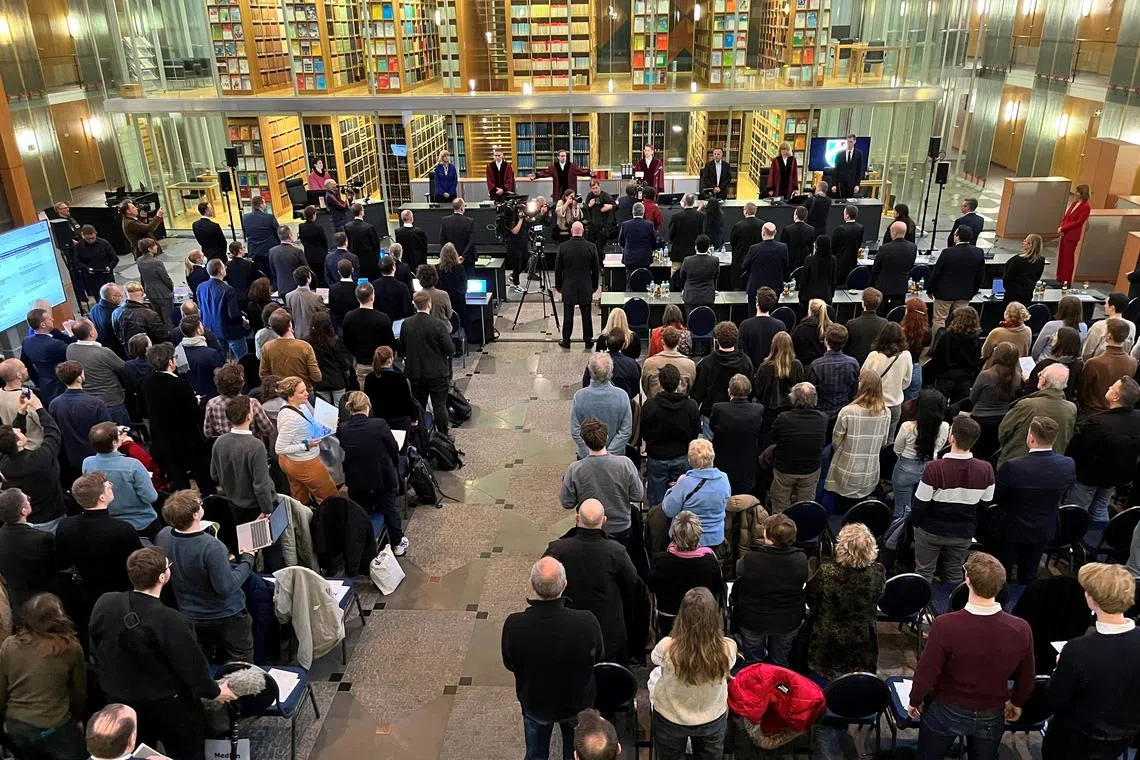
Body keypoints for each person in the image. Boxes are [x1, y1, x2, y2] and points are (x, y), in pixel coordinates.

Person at [89, 546, 236, 760]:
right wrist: (214, 691)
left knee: (136, 752)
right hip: (169, 705)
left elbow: (95, 643)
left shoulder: (106, 601)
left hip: (121, 699)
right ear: (162, 576)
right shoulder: (171, 620)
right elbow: (191, 665)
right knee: (187, 751)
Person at [910, 554, 1037, 760]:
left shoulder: (946, 625)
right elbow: (1027, 674)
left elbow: (927, 670)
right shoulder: (1021, 629)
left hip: (947, 708)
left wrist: (915, 699)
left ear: (967, 580)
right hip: (992, 711)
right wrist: (1017, 702)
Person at [502, 557, 604, 760]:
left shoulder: (514, 625)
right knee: (574, 753)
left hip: (535, 702)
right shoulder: (586, 622)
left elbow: (509, 663)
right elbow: (598, 658)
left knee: (536, 754)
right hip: (576, 702)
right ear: (564, 585)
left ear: (533, 585)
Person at [1042, 562, 1140, 759]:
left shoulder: (1078, 650)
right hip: (1122, 738)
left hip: (1073, 738)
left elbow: (1053, 698)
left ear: (1091, 599)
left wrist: (1060, 668)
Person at [156, 489, 255, 663]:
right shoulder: (212, 546)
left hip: (190, 613)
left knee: (202, 660)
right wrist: (248, 559)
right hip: (226, 613)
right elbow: (226, 587)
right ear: (195, 515)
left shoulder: (163, 536)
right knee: (241, 660)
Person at [544, 499, 640, 661]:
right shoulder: (616, 551)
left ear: (577, 519)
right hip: (608, 632)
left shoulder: (558, 550)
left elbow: (544, 584)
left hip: (568, 631)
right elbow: (633, 584)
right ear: (604, 521)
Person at [649, 587, 735, 760]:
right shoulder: (727, 648)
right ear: (714, 618)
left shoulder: (667, 647)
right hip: (712, 716)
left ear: (681, 617)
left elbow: (654, 660)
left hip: (670, 716)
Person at [0, 593, 87, 760]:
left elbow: (1, 690)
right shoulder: (70, 648)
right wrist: (75, 721)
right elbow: (79, 693)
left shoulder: (9, 645)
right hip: (55, 726)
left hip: (16, 726)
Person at [911, 416, 995, 582]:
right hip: (962, 533)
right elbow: (986, 502)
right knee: (955, 573)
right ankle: (952, 606)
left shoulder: (934, 468)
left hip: (930, 531)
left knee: (924, 573)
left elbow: (920, 505)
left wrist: (916, 525)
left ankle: (922, 607)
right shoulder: (986, 469)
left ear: (952, 437)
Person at [992, 416, 1075, 583]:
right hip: (1043, 528)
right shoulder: (1068, 464)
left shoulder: (1013, 466)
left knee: (1002, 574)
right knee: (1029, 574)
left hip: (1011, 528)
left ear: (1030, 437)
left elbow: (995, 496)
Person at [805, 522, 885, 680]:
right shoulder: (878, 572)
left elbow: (811, 598)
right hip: (862, 635)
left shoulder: (827, 573)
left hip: (828, 637)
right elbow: (879, 596)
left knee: (823, 681)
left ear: (842, 548)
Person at [733, 513, 808, 665]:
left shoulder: (750, 559)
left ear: (767, 536)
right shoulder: (801, 559)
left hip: (753, 620)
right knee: (780, 662)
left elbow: (738, 571)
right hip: (787, 620)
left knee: (753, 661)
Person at [338, 392, 407, 555]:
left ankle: (363, 545)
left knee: (360, 511)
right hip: (382, 478)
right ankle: (397, 542)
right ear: (368, 406)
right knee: (389, 508)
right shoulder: (379, 425)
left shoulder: (342, 429)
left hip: (356, 481)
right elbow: (394, 448)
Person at [57, 472, 143, 603]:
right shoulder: (123, 529)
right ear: (102, 497)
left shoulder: (65, 526)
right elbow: (138, 563)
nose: (111, 487)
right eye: (108, 487)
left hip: (86, 592)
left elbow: (64, 562)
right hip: (121, 591)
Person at [142, 342, 215, 493]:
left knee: (178, 479)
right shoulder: (180, 384)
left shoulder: (146, 383)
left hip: (162, 440)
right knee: (202, 476)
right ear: (170, 361)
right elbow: (194, 415)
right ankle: (211, 504)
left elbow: (142, 410)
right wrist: (197, 402)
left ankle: (184, 508)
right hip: (186, 439)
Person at [1066, 376, 1140, 521]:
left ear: (1116, 397)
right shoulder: (1137, 419)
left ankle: (1073, 540)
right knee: (1100, 508)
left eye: (1112, 387)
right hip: (1115, 477)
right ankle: (1099, 537)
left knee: (1077, 511)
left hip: (1088, 477)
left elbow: (1077, 449)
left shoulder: (1097, 423)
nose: (1109, 388)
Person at [560, 419, 644, 541]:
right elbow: (638, 495)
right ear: (607, 437)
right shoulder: (625, 464)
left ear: (584, 441)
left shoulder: (575, 469)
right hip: (620, 528)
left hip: (588, 529)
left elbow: (567, 502)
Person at [825, 371, 892, 510]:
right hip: (870, 471)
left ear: (860, 386)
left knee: (841, 509)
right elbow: (884, 441)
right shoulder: (886, 412)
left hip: (846, 468)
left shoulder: (847, 411)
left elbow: (836, 439)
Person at [0, 394, 66, 530]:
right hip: (51, 518)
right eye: (17, 432)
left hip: (28, 519)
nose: (19, 429)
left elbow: (10, 440)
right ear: (19, 442)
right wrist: (39, 407)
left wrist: (21, 413)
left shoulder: (4, 462)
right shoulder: (40, 459)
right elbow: (53, 433)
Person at [82, 422, 160, 536]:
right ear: (114, 442)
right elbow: (150, 497)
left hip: (111, 523)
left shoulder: (87, 463)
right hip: (142, 522)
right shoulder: (133, 465)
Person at [997, 362, 1077, 467]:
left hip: (1017, 464)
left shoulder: (1027, 405)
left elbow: (1003, 431)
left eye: (1041, 374)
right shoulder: (1071, 409)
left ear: (1043, 381)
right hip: (1050, 466)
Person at [274, 375, 338, 504]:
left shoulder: (297, 405)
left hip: (292, 462)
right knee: (329, 496)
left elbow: (310, 419)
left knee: (299, 495)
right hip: (304, 463)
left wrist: (328, 422)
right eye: (302, 392)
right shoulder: (291, 419)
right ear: (291, 396)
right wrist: (306, 445)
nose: (307, 394)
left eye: (305, 390)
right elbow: (279, 448)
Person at [209, 395, 275, 519]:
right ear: (249, 416)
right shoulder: (256, 446)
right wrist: (267, 509)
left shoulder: (219, 442)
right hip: (257, 507)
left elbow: (214, 475)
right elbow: (261, 485)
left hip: (233, 503)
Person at [662, 439, 731, 551]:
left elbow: (668, 510)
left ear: (690, 460)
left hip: (686, 538)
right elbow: (725, 502)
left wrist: (673, 488)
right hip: (715, 538)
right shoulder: (724, 478)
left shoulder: (685, 482)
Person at [0, 489, 61, 614]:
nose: (29, 498)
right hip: (45, 596)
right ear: (24, 511)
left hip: (16, 597)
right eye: (26, 499)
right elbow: (56, 565)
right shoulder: (43, 538)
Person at [402, 290, 454, 435]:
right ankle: (443, 436)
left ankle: (422, 436)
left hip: (416, 374)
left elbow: (402, 349)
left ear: (415, 305)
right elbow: (450, 350)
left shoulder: (406, 324)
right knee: (439, 406)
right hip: (437, 373)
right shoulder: (438, 325)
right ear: (429, 304)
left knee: (419, 406)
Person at [892, 389, 949, 520]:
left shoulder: (907, 427)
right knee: (919, 505)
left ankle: (896, 538)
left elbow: (897, 449)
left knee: (901, 510)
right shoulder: (945, 427)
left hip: (905, 467)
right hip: (930, 468)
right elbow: (939, 447)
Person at [49, 359, 112, 472]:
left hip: (71, 458)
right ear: (79, 378)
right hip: (97, 457)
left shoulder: (54, 404)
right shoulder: (95, 403)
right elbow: (108, 432)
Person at [709, 374, 764, 496]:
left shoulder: (719, 409)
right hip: (747, 464)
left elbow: (713, 427)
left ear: (729, 391)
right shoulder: (757, 409)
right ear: (749, 391)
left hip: (723, 460)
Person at [571, 353, 632, 458]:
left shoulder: (579, 397)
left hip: (586, 457)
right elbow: (625, 431)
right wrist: (608, 453)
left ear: (590, 372)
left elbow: (575, 431)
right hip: (615, 457)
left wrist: (590, 452)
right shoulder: (622, 396)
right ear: (610, 372)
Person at [691, 321, 753, 421]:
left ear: (717, 340)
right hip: (739, 414)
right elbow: (750, 391)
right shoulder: (746, 362)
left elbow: (697, 394)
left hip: (711, 415)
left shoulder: (706, 363)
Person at [969, 341, 1021, 460]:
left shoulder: (986, 375)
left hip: (980, 419)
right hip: (1002, 420)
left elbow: (972, 398)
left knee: (978, 454)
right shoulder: (1017, 377)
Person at [928, 226, 986, 331]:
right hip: (965, 293)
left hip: (944, 294)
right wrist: (974, 291)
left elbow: (936, 273)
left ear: (957, 237)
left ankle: (936, 343)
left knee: (939, 320)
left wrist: (930, 289)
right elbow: (980, 275)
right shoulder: (978, 252)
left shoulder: (947, 252)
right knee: (960, 320)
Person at [553, 221, 599, 348]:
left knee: (568, 314)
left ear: (571, 231)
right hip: (585, 285)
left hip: (568, 285)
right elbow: (595, 270)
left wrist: (559, 286)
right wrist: (594, 286)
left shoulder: (563, 247)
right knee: (587, 314)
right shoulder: (591, 247)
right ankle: (588, 340)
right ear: (583, 231)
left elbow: (558, 270)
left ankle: (566, 340)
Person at [863, 321, 912, 439]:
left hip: (874, 403)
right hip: (895, 403)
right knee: (889, 439)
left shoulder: (874, 355)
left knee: (870, 437)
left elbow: (863, 377)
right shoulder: (906, 355)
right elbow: (907, 381)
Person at [342, 283, 396, 390]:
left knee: (365, 395)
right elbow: (390, 343)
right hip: (381, 364)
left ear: (357, 298)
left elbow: (346, 342)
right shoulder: (383, 318)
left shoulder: (349, 317)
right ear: (372, 296)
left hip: (361, 363)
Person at [1079, 318, 1137, 416]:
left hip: (1092, 413)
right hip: (1118, 413)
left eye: (1105, 332)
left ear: (1109, 336)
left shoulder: (1093, 363)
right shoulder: (1133, 362)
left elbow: (1082, 391)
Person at [926, 306, 983, 402]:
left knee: (940, 404)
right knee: (957, 407)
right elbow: (976, 360)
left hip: (945, 377)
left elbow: (937, 358)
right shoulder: (975, 339)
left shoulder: (946, 336)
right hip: (964, 379)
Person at [806, 323, 858, 425]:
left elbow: (810, 394)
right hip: (844, 414)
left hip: (821, 415)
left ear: (826, 340)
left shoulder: (816, 365)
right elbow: (854, 391)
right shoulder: (853, 363)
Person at [259, 309, 322, 391]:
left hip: (281, 392)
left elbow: (264, 375)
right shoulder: (304, 346)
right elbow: (316, 377)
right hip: (304, 392)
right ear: (290, 325)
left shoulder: (267, 348)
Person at [195, 259, 247, 359]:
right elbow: (234, 314)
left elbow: (201, 309)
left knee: (220, 359)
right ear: (222, 271)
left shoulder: (200, 287)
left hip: (210, 330)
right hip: (230, 331)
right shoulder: (228, 290)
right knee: (242, 358)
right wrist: (243, 321)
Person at [22, 307, 72, 403]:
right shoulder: (55, 344)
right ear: (43, 324)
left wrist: (38, 381)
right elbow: (74, 351)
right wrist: (70, 333)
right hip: (63, 388)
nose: (52, 319)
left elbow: (27, 365)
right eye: (49, 319)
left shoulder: (26, 342)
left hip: (45, 388)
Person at [363, 346, 417, 431]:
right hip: (399, 420)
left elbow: (367, 400)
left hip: (378, 420)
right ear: (391, 359)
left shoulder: (370, 378)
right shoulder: (399, 377)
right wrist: (414, 418)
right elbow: (407, 401)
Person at [172, 316, 225, 400]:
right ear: (198, 330)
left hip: (189, 397)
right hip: (211, 397)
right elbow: (221, 377)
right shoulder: (211, 353)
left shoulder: (177, 352)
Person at [308, 312, 353, 408]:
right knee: (340, 406)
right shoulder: (335, 340)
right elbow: (342, 361)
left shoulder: (308, 341)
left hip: (319, 381)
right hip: (337, 379)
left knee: (324, 408)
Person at [1026, 325, 1083, 401]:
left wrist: (1027, 379)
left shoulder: (1045, 365)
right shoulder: (1079, 365)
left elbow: (1031, 389)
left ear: (1060, 342)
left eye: (1056, 336)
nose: (1053, 337)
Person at [741, 222, 788, 312]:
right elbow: (785, 265)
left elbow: (744, 266)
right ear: (775, 232)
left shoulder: (754, 249)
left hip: (756, 288)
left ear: (762, 232)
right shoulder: (783, 248)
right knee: (772, 314)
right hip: (775, 288)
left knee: (753, 315)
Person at [873, 221, 918, 311]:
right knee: (898, 313)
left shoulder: (884, 248)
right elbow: (911, 265)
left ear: (894, 232)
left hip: (884, 286)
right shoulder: (913, 247)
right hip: (901, 286)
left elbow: (876, 268)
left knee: (881, 311)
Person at [642, 326, 696, 400]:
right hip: (681, 405)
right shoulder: (690, 364)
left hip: (655, 404)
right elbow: (691, 389)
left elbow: (645, 386)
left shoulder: (649, 363)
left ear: (662, 341)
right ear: (679, 341)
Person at [0, 359, 44, 449]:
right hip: (36, 447)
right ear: (18, 375)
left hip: (15, 446)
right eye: (23, 367)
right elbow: (42, 422)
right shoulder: (26, 396)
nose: (27, 369)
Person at [738, 287, 785, 368]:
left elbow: (742, 353)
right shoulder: (780, 326)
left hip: (751, 372)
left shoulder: (745, 325)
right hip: (773, 371)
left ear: (757, 302)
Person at [1032, 295, 1087, 361]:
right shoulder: (1084, 327)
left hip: (1046, 363)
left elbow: (1036, 349)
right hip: (1069, 365)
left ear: (1060, 308)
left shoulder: (1051, 325)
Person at [1056, 183, 1091, 284]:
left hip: (1072, 235)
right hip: (1065, 232)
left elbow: (1078, 222)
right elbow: (1067, 216)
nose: (1075, 193)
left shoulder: (1086, 207)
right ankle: (1059, 277)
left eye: (1077, 192)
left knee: (1068, 258)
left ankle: (1066, 279)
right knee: (1061, 256)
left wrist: (1064, 228)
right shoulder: (1074, 203)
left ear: (1082, 194)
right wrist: (1062, 228)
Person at [846, 288, 888, 365]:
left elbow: (846, 347)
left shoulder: (851, 324)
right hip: (877, 364)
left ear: (863, 303)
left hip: (856, 363)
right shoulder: (884, 323)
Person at [74, 224, 118, 298]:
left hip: (106, 276)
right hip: (91, 278)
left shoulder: (104, 243)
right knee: (98, 297)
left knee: (112, 297)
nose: (91, 240)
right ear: (83, 236)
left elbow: (115, 259)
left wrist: (109, 267)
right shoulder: (79, 246)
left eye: (92, 238)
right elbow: (77, 262)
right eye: (88, 239)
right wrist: (87, 268)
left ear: (95, 233)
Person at [1003, 233, 1046, 306]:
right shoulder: (1041, 260)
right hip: (1027, 295)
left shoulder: (1017, 260)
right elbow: (1037, 277)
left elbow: (1007, 278)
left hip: (1012, 295)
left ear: (1030, 245)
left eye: (1025, 241)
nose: (1023, 242)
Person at [678, 234, 719, 310]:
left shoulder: (687, 260)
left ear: (696, 246)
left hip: (690, 298)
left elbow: (682, 276)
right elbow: (716, 276)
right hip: (708, 297)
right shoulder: (715, 261)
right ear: (708, 247)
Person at [666, 194, 705, 273]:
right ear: (694, 202)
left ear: (684, 202)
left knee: (675, 278)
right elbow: (702, 235)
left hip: (678, 255)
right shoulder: (701, 216)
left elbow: (670, 236)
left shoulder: (676, 217)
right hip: (693, 255)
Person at [372, 254, 414, 324]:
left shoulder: (374, 285)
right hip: (397, 322)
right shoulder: (402, 287)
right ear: (394, 268)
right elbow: (408, 309)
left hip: (379, 322)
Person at [729, 202, 764, 286]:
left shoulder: (738, 226)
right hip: (756, 258)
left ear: (745, 211)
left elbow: (732, 241)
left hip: (740, 259)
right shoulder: (762, 224)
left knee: (738, 284)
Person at [436, 243, 469, 331]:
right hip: (458, 302)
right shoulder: (460, 268)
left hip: (442, 303)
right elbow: (465, 285)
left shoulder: (437, 269)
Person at [265, 224, 304, 298]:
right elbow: (305, 270)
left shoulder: (272, 251)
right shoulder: (297, 251)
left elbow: (273, 271)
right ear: (290, 235)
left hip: (281, 288)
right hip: (296, 290)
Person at [345, 203, 382, 280]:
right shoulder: (369, 227)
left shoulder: (347, 226)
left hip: (354, 258)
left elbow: (348, 243)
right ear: (361, 212)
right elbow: (376, 245)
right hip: (369, 260)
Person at [89, 283, 126, 359]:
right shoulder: (115, 314)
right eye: (120, 296)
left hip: (103, 348)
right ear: (113, 298)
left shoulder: (94, 309)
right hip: (117, 352)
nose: (121, 298)